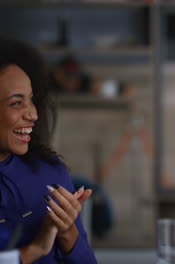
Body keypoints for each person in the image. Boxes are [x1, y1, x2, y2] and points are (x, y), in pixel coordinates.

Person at [0, 37, 97, 263]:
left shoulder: (49, 174)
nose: (33, 114)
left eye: (31, 100)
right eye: (16, 103)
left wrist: (67, 232)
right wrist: (33, 250)